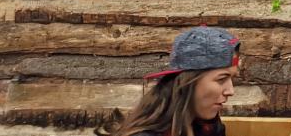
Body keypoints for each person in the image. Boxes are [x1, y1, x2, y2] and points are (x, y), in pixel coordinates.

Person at [102, 26, 240, 136]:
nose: (231, 91)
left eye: (232, 78)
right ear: (189, 81)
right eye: (222, 79)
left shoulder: (209, 126)